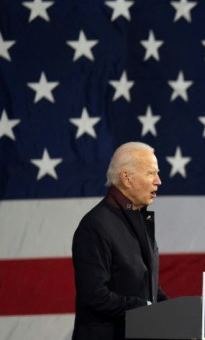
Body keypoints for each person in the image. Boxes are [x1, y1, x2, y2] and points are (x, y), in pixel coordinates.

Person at [72, 141, 168, 340]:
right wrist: (146, 308)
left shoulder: (138, 218)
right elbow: (95, 296)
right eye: (151, 173)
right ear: (126, 178)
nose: (158, 181)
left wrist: (177, 311)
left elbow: (147, 285)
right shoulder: (95, 226)